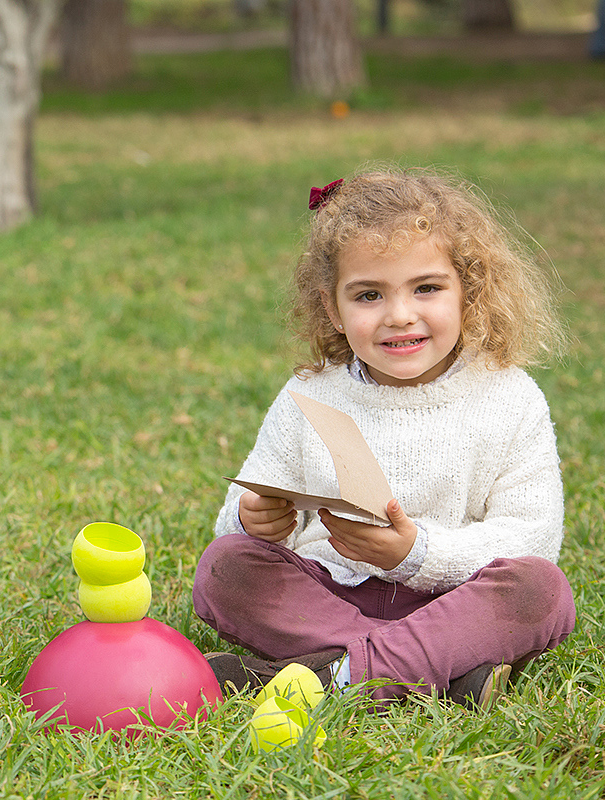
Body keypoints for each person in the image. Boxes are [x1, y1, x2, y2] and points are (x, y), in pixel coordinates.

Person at [193, 166, 576, 710]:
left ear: (468, 291)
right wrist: (257, 519)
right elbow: (243, 513)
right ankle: (431, 677)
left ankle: (326, 678)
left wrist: (417, 555)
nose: (400, 316)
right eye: (369, 295)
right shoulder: (311, 392)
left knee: (543, 591)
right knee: (225, 566)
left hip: (449, 605)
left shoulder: (509, 396)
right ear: (333, 308)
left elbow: (531, 537)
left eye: (426, 288)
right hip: (325, 595)